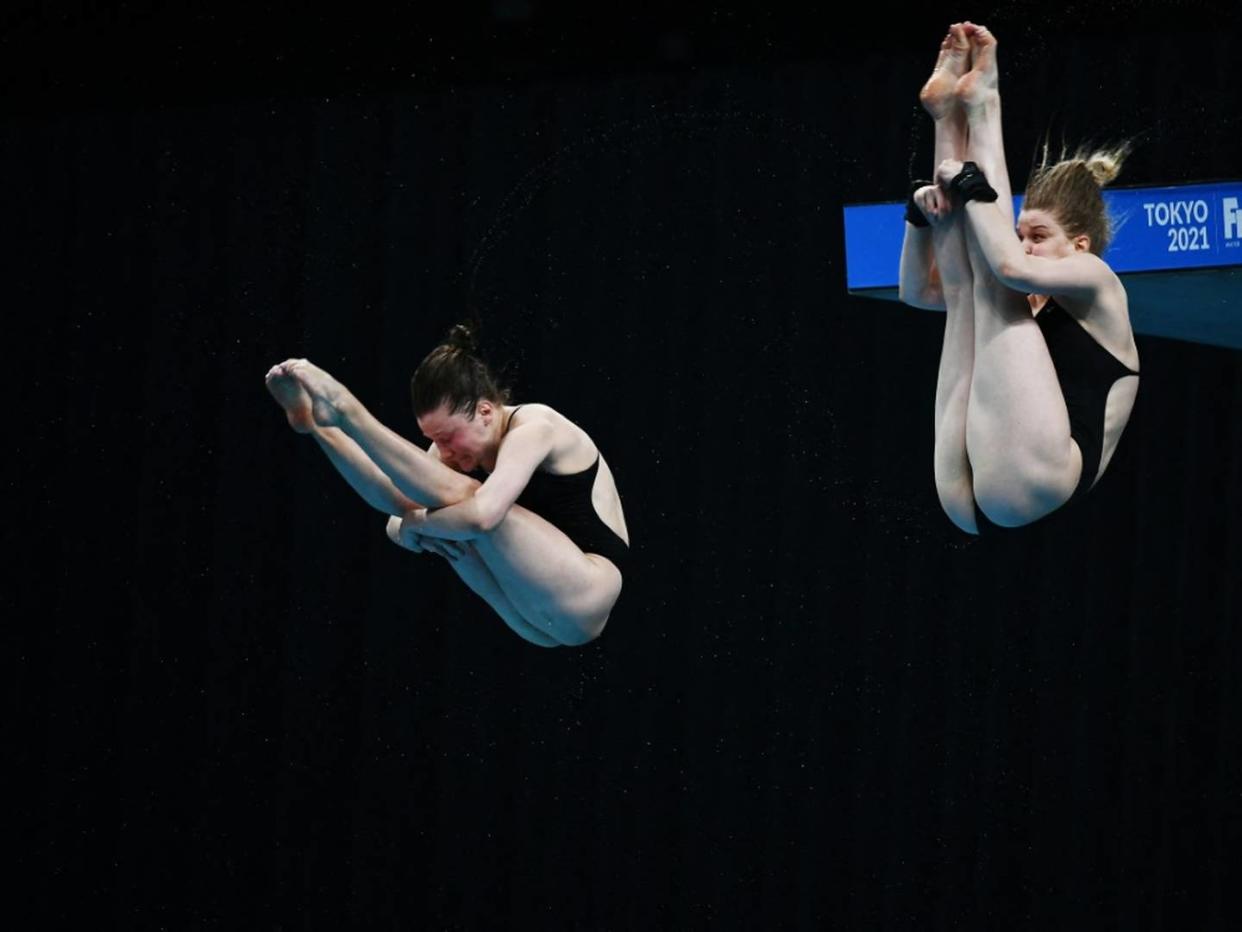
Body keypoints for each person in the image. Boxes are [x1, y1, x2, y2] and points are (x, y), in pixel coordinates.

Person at [899, 22, 1139, 534]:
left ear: (1079, 245)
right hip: (977, 492)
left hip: (1040, 479)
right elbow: (918, 293)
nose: (1023, 243)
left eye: (1039, 235)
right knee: (967, 293)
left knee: (990, 283)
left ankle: (984, 106)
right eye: (1020, 231)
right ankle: (948, 113)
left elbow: (1008, 264)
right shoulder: (1027, 301)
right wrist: (924, 221)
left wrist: (970, 188)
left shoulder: (1098, 282)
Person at [264, 325, 629, 647]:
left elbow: (483, 516)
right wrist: (412, 524)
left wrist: (417, 526)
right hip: (527, 617)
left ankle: (348, 411)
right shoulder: (452, 452)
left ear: (486, 411)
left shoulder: (534, 429)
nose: (443, 451)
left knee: (468, 504)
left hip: (586, 594)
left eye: (448, 437)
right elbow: (397, 512)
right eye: (434, 440)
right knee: (443, 506)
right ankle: (319, 425)